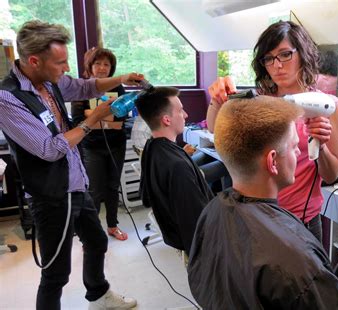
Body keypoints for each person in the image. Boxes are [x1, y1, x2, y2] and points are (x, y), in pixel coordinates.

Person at [0, 21, 140, 310]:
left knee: (97, 241)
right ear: (35, 60)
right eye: (60, 62)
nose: (66, 68)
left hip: (75, 183)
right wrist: (93, 120)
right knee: (56, 273)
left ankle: (99, 297)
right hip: (51, 196)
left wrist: (124, 77)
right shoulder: (8, 98)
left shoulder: (49, 80)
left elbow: (85, 85)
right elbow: (49, 149)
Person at [188, 96, 338, 309]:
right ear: (272, 162)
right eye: (295, 145)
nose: (298, 152)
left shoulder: (212, 212)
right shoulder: (294, 263)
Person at [206, 21, 338, 242]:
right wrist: (216, 100)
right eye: (269, 59)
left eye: (285, 55)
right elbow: (214, 126)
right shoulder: (260, 101)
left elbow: (330, 175)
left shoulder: (328, 105)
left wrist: (322, 144)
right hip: (257, 215)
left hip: (302, 221)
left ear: (303, 54)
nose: (277, 65)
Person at [136, 86, 214, 256]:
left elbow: (146, 197)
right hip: (201, 244)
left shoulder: (151, 148)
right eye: (180, 111)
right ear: (166, 120)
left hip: (175, 234)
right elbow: (197, 230)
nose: (185, 115)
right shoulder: (177, 166)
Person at [71, 47, 129, 241]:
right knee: (94, 190)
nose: (102, 68)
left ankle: (113, 226)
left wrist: (94, 116)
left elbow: (121, 120)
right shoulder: (82, 88)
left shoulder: (118, 88)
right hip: (91, 147)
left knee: (113, 187)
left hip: (116, 145)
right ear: (90, 66)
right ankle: (92, 233)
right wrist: (105, 117)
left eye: (106, 64)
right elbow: (78, 119)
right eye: (98, 63)